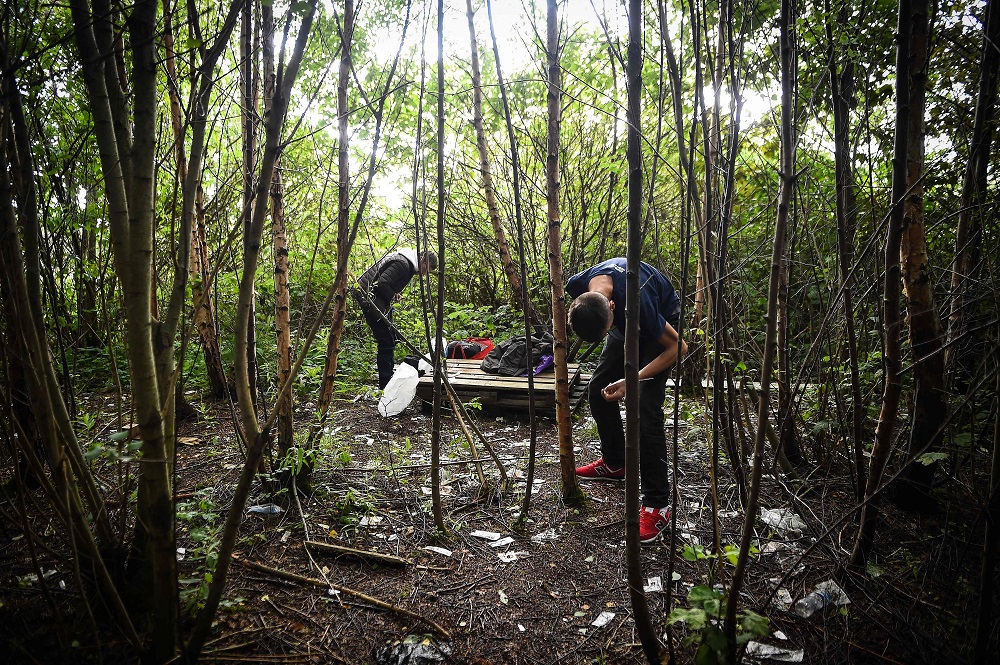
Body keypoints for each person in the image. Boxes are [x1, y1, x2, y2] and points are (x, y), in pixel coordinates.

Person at [566, 258, 686, 543]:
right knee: (597, 390)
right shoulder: (577, 287)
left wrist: (631, 381)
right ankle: (615, 462)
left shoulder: (639, 301)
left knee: (645, 410)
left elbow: (678, 347)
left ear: (612, 307)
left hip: (662, 330)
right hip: (623, 325)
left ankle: (657, 505)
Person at [354, 248, 437, 389]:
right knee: (386, 341)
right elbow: (382, 283)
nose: (424, 274)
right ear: (422, 258)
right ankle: (385, 386)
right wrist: (392, 295)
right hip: (368, 296)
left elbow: (386, 281)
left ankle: (387, 381)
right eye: (426, 269)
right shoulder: (403, 264)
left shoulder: (407, 264)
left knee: (391, 337)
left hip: (375, 298)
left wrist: (394, 293)